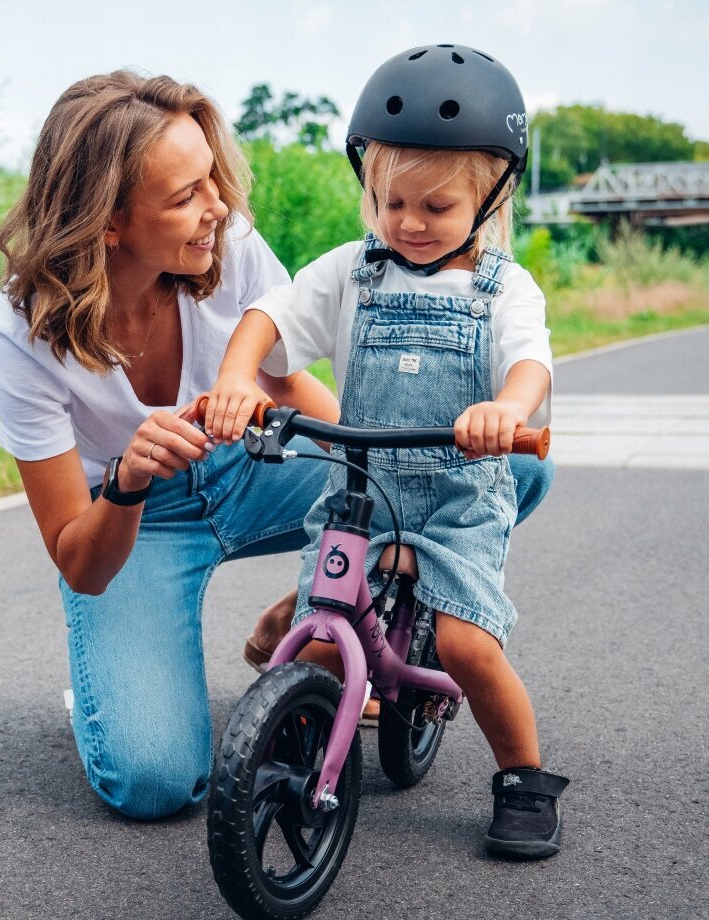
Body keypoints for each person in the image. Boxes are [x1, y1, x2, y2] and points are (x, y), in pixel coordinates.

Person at [0, 68, 553, 823]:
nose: (217, 207)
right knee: (152, 782)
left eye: (213, 180)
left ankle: (342, 598)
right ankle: (121, 688)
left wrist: (377, 475)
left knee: (498, 470)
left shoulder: (226, 245)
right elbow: (79, 560)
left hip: (252, 464)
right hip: (134, 519)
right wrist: (126, 479)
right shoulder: (20, 336)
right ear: (108, 220)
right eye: (185, 196)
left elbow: (287, 385)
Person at [202, 45, 570, 859]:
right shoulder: (353, 273)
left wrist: (504, 410)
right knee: (327, 639)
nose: (406, 222)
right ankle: (299, 732)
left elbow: (530, 361)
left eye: (434, 208)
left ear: (490, 196)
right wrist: (236, 378)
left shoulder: (502, 288)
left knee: (470, 645)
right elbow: (271, 315)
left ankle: (523, 778)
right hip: (357, 494)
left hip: (458, 498)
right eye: (388, 199)